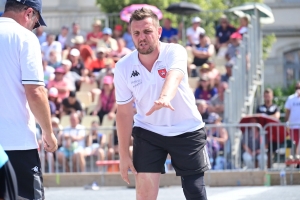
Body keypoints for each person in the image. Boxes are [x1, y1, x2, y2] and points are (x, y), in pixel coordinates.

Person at [114, 8, 210, 200]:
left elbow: (174, 76)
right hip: (149, 131)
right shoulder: (123, 66)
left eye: (147, 31)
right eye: (137, 33)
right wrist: (123, 154)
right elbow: (124, 113)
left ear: (158, 32)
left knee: (195, 191)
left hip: (186, 128)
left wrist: (165, 97)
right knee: (145, 194)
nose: (142, 37)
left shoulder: (175, 51)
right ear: (131, 36)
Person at [0, 0, 57, 199]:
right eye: (36, 23)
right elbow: (35, 92)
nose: (34, 27)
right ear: (29, 13)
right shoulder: (24, 37)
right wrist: (48, 133)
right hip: (15, 144)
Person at [285, 82, 300, 147]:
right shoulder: (291, 98)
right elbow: (287, 111)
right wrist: (286, 122)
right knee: (294, 144)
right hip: (293, 126)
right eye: (297, 88)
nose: (298, 89)